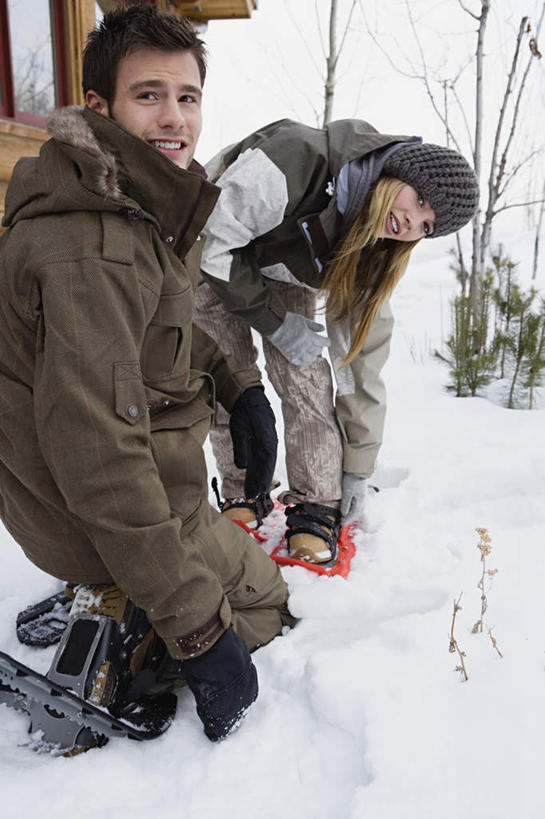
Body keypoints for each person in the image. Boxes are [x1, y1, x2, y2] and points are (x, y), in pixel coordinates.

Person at [0, 5, 292, 744]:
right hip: (94, 511)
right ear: (98, 107)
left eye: (187, 96)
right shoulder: (91, 244)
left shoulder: (127, 204)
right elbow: (100, 454)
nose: (174, 117)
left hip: (80, 490)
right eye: (148, 94)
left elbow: (149, 335)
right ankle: (131, 621)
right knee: (262, 603)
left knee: (242, 579)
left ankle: (124, 591)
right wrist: (197, 629)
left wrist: (236, 383)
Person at [194, 119, 479, 563]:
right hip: (213, 251)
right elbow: (216, 242)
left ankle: (316, 503)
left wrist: (359, 468)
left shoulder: (376, 246)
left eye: (426, 226)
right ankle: (243, 491)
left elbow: (362, 362)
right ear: (397, 171)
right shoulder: (295, 159)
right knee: (229, 378)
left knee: (306, 378)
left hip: (282, 269)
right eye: (419, 200)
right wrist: (275, 322)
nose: (409, 223)